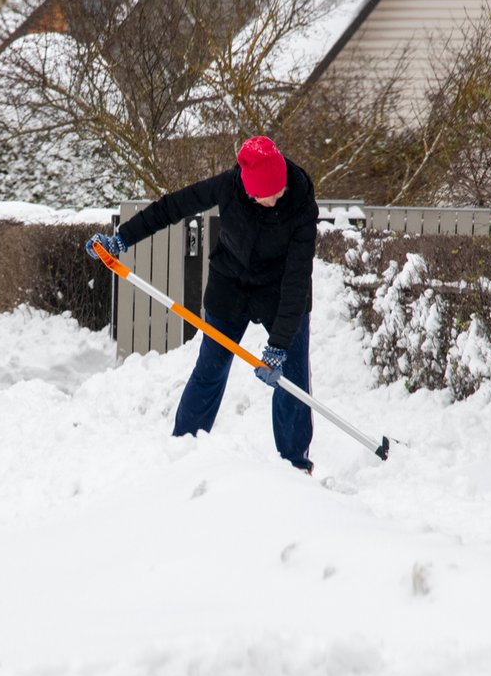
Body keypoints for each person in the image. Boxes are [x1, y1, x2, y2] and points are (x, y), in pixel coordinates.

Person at [85, 136, 318, 473]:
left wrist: (279, 345)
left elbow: (296, 281)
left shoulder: (301, 206)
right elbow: (170, 208)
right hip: (230, 286)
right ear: (249, 191)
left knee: (291, 381)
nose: (277, 198)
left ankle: (296, 464)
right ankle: (183, 448)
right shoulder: (228, 185)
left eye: (280, 190)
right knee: (211, 367)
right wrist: (122, 238)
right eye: (268, 195)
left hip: (280, 292)